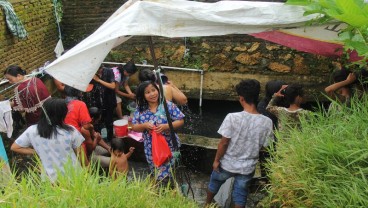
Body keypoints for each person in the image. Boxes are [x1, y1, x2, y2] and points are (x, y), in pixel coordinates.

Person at [205, 79, 273, 208]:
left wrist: (216, 160)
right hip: (247, 167)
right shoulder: (267, 122)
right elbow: (265, 146)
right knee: (240, 195)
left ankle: (206, 205)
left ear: (241, 98)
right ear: (256, 97)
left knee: (214, 183)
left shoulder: (232, 117)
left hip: (227, 164)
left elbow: (224, 143)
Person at [10, 98, 85, 182]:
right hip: (74, 175)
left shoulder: (32, 130)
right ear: (63, 114)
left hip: (50, 178)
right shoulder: (70, 130)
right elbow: (81, 155)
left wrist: (37, 151)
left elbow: (15, 147)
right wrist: (87, 169)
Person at [131, 81, 184, 181]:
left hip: (170, 147)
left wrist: (166, 126)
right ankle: (162, 190)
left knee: (167, 174)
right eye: (147, 92)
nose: (152, 94)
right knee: (156, 171)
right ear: (143, 95)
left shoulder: (167, 105)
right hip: (151, 149)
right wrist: (144, 125)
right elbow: (134, 127)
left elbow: (181, 120)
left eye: (153, 90)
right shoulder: (140, 109)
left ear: (158, 90)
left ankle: (168, 189)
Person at [63, 85, 99, 166]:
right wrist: (92, 129)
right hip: (77, 141)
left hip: (63, 141)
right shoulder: (80, 104)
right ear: (78, 93)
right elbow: (86, 125)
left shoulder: (61, 105)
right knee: (84, 166)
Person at [92, 65, 117, 142]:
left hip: (109, 101)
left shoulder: (109, 71)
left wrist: (98, 80)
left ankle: (109, 139)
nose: (99, 71)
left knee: (109, 122)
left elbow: (113, 86)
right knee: (97, 122)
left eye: (100, 69)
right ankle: (99, 140)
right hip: (97, 102)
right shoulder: (91, 73)